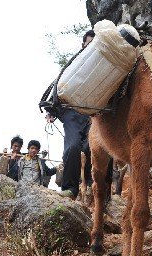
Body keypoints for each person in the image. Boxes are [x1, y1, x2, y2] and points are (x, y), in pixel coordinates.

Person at [46, 30, 95, 199]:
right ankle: (70, 189)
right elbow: (59, 86)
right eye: (89, 43)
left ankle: (93, 186)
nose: (91, 46)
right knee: (73, 147)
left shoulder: (103, 67)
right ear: (83, 45)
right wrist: (51, 110)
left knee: (92, 147)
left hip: (94, 114)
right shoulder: (72, 65)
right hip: (72, 113)